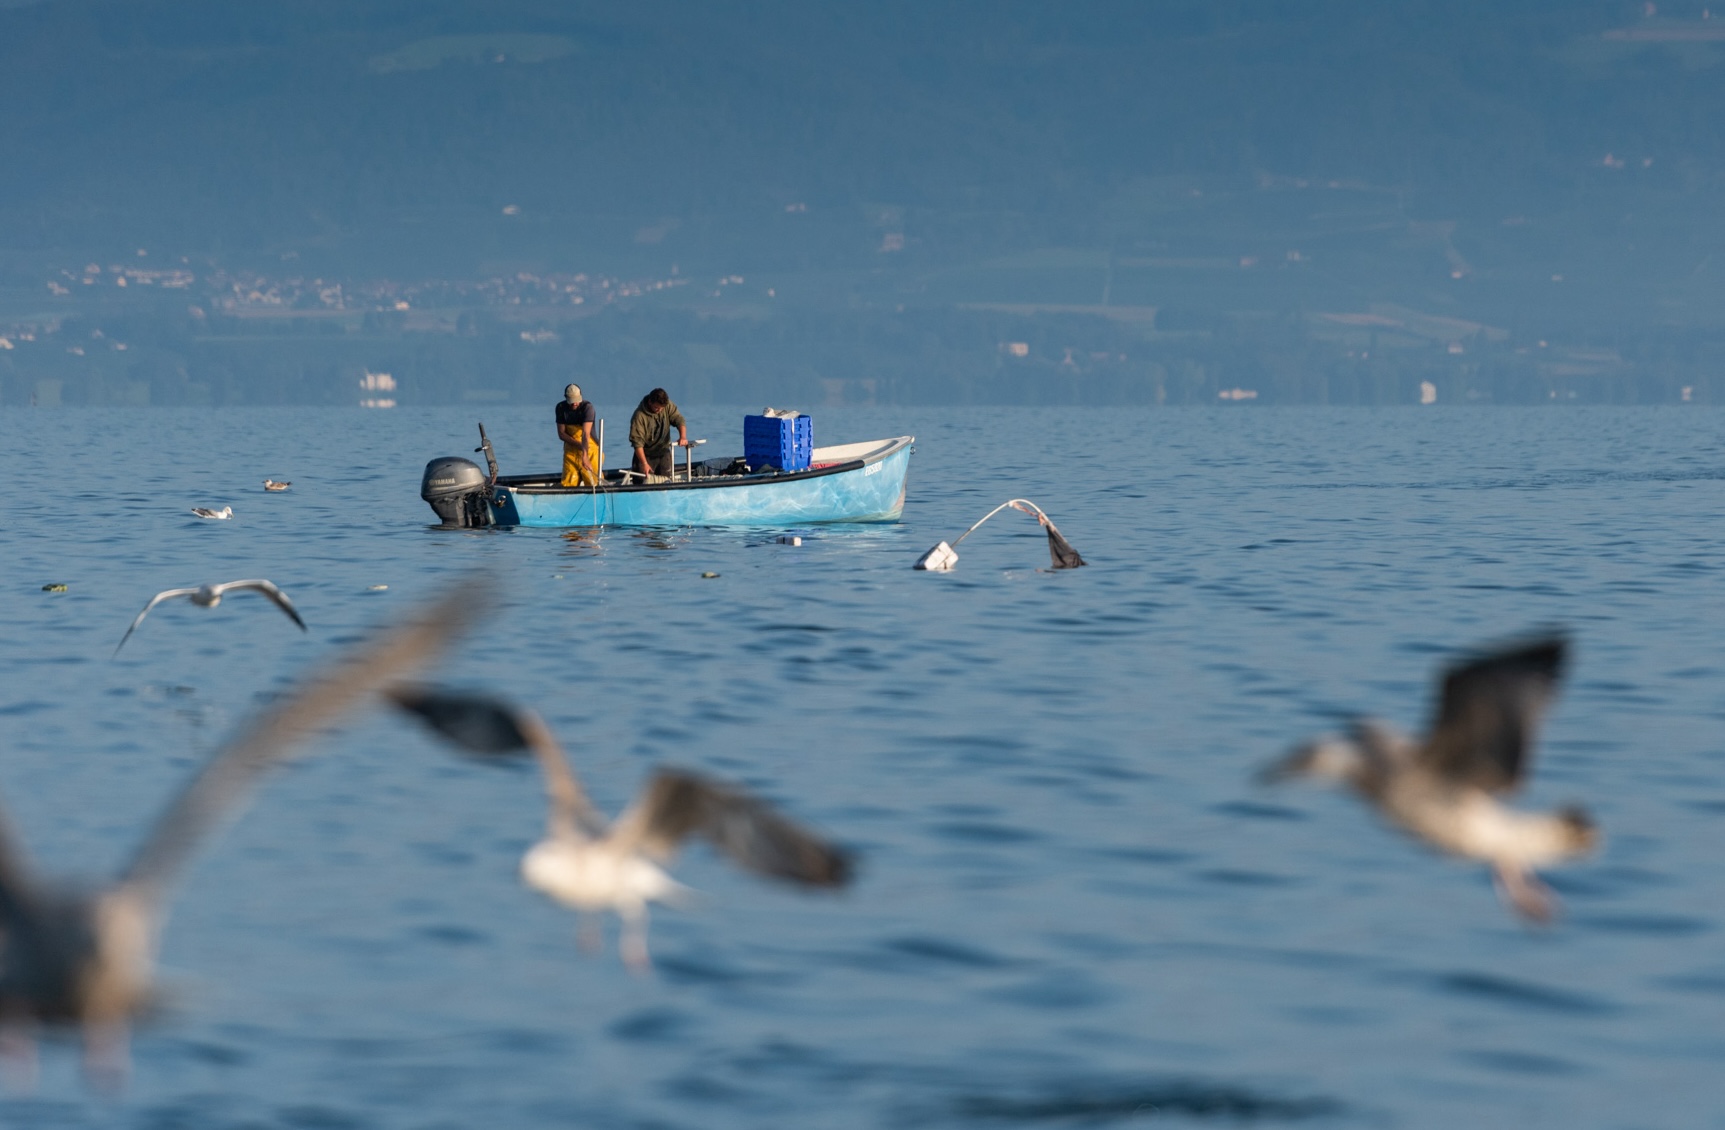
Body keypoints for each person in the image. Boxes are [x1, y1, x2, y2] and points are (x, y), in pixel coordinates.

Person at [628, 387, 691, 478]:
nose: (660, 410)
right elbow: (637, 443)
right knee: (641, 482)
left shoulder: (667, 405)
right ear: (650, 402)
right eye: (656, 408)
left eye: (662, 408)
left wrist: (683, 437)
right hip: (645, 454)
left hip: (663, 452)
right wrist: (644, 463)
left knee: (666, 480)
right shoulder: (639, 416)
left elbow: (679, 419)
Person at [556, 383, 600, 487]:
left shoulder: (587, 408)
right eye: (572, 400)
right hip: (570, 450)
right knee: (568, 482)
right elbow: (561, 434)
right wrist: (578, 445)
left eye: (577, 400)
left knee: (592, 480)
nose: (575, 403)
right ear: (566, 398)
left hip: (590, 449)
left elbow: (585, 434)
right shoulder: (561, 408)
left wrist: (585, 455)